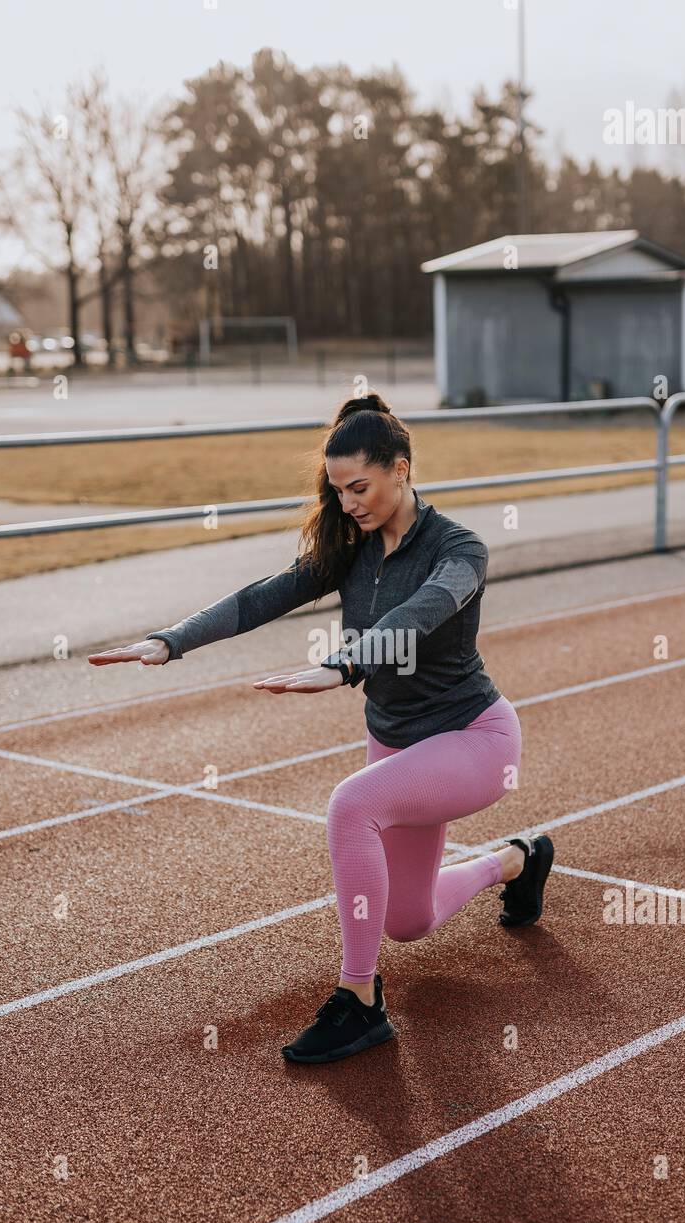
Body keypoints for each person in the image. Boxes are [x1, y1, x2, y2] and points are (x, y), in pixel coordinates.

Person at [88, 392, 554, 1064]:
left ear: (402, 468)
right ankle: (517, 860)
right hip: (396, 740)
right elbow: (263, 595)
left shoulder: (459, 551)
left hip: (474, 738)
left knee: (350, 805)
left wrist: (344, 664)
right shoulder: (350, 547)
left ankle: (360, 1002)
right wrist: (171, 641)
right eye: (337, 491)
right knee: (409, 920)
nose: (348, 504)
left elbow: (421, 614)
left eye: (359, 487)